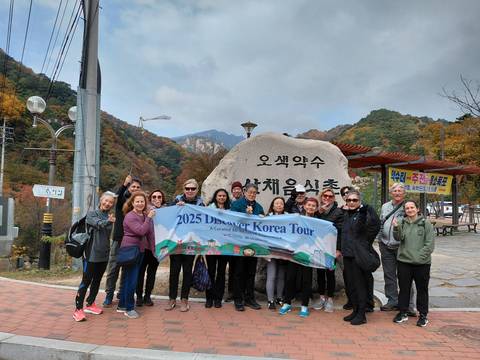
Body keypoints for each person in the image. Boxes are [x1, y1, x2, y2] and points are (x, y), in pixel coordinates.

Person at [73, 192, 116, 322]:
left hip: (104, 253)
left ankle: (90, 303)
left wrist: (110, 220)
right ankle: (78, 309)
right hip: (91, 254)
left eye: (110, 202)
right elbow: (98, 224)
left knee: (97, 280)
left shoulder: (110, 216)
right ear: (101, 200)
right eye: (106, 200)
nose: (108, 203)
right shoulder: (92, 214)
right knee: (86, 281)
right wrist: (108, 220)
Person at [341, 190, 380, 325]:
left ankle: (362, 314)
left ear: (359, 202)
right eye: (349, 200)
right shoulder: (346, 215)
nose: (351, 202)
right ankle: (356, 310)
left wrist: (367, 209)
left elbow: (374, 225)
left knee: (360, 286)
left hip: (358, 256)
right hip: (347, 255)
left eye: (354, 200)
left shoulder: (363, 215)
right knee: (351, 286)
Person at [392, 200, 434, 327]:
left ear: (417, 209)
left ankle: (423, 315)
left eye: (412, 207)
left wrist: (418, 257)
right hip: (404, 262)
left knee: (422, 290)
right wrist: (396, 228)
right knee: (404, 289)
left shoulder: (425, 223)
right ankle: (402, 312)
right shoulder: (401, 222)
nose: (409, 210)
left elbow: (430, 245)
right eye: (407, 208)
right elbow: (398, 238)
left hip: (422, 263)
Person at [165, 179, 205, 312]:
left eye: (193, 189)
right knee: (174, 271)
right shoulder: (176, 201)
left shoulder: (201, 204)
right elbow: (167, 217)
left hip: (191, 243)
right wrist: (176, 208)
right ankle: (171, 299)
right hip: (176, 242)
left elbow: (205, 222)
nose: (190, 191)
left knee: (187, 272)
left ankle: (184, 299)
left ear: (197, 190)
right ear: (183, 189)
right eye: (187, 188)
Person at [103, 175, 142, 307]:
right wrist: (124, 184)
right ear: (129, 188)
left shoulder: (139, 204)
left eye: (138, 187)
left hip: (132, 243)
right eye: (133, 186)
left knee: (126, 269)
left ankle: (121, 293)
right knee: (113, 268)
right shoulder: (122, 202)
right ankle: (109, 295)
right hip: (118, 239)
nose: (135, 189)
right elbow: (117, 196)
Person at [378, 183, 416, 315]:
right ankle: (392, 301)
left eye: (400, 191)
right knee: (389, 275)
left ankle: (409, 305)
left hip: (402, 246)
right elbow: (381, 222)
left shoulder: (407, 206)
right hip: (385, 245)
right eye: (395, 191)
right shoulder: (385, 206)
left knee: (405, 276)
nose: (397, 193)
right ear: (391, 193)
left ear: (404, 193)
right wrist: (379, 238)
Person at [279, 197, 319, 318]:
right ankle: (287, 303)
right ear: (304, 206)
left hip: (309, 254)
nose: (310, 207)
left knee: (306, 280)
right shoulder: (297, 219)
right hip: (295, 253)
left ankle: (304, 305)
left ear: (316, 208)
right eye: (309, 205)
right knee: (290, 278)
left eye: (313, 205)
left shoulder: (319, 222)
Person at [118, 191, 155, 319]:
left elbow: (149, 232)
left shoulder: (144, 215)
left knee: (129, 278)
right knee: (131, 279)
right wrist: (149, 218)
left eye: (142, 201)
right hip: (130, 249)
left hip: (140, 250)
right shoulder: (130, 216)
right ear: (132, 203)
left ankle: (122, 305)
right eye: (137, 201)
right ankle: (129, 308)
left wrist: (154, 249)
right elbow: (141, 231)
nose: (140, 203)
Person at [230, 183, 265, 311]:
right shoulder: (237, 205)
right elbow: (231, 222)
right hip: (239, 243)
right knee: (239, 272)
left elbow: (263, 225)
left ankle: (250, 298)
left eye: (254, 193)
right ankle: (238, 299)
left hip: (253, 244)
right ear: (244, 192)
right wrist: (245, 215)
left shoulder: (259, 207)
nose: (252, 194)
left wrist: (262, 218)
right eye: (250, 192)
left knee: (251, 272)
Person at [312, 188, 343, 313]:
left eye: (330, 196)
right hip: (319, 247)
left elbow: (340, 232)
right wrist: (318, 212)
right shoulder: (317, 210)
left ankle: (330, 298)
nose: (327, 198)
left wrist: (338, 249)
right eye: (325, 196)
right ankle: (321, 297)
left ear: (333, 198)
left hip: (331, 247)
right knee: (319, 273)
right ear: (321, 197)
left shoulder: (338, 212)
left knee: (330, 274)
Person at [135, 189, 165, 307]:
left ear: (162, 199)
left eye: (159, 197)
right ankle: (138, 296)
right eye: (154, 197)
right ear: (150, 199)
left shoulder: (167, 211)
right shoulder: (144, 210)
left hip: (157, 247)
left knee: (152, 273)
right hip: (144, 247)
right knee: (140, 272)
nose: (157, 199)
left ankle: (147, 296)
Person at [205, 188, 231, 308]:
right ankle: (209, 298)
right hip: (211, 245)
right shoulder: (209, 208)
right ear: (216, 197)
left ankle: (218, 298)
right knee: (210, 271)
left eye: (224, 196)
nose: (221, 198)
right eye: (219, 196)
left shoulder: (231, 210)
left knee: (221, 273)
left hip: (225, 246)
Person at [265, 196, 287, 310]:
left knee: (281, 276)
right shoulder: (267, 218)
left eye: (281, 204)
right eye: (276, 203)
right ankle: (270, 300)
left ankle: (279, 298)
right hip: (270, 251)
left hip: (284, 251)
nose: (279, 205)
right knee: (272, 276)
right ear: (272, 206)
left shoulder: (289, 218)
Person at [225, 181, 243, 302]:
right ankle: (231, 291)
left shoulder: (245, 203)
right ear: (232, 191)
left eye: (238, 189)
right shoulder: (228, 203)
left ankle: (240, 291)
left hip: (243, 239)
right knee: (231, 267)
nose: (236, 191)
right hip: (229, 239)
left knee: (240, 267)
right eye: (234, 189)